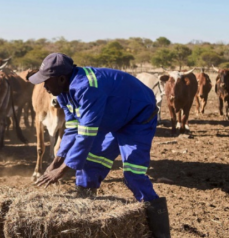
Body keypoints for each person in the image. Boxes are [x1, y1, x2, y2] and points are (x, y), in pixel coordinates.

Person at [30, 53, 170, 238]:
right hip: (112, 117)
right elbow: (72, 128)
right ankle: (83, 219)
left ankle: (160, 233)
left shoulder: (87, 87)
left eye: (46, 81)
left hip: (138, 116)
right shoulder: (62, 92)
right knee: (89, 165)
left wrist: (62, 170)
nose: (44, 87)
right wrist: (57, 160)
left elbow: (86, 135)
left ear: (61, 78)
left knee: (133, 175)